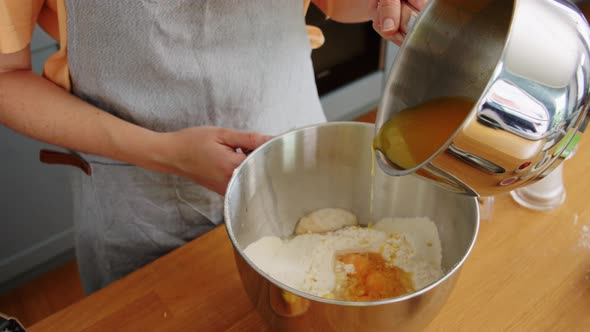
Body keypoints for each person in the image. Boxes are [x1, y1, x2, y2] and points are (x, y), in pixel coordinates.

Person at [0, 0, 426, 294]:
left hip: (291, 161)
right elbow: (6, 78)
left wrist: (384, 7)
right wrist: (164, 152)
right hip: (141, 198)